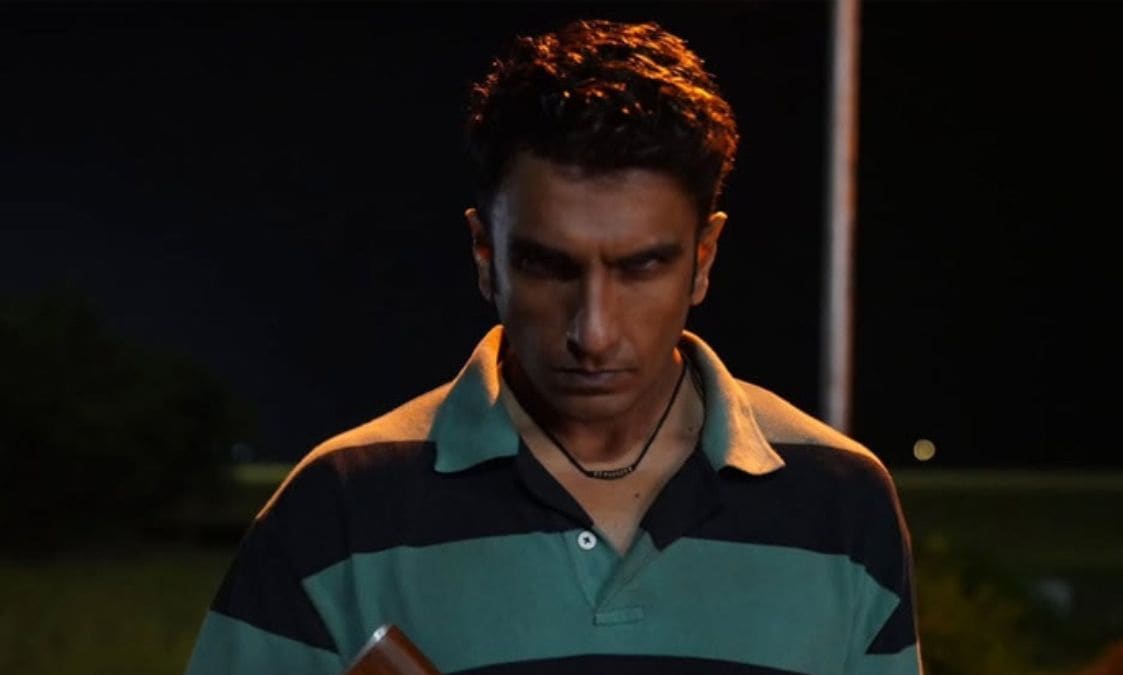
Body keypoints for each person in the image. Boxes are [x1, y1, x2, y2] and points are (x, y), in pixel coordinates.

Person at [185, 19, 922, 675]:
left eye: (641, 267)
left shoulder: (840, 501)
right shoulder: (339, 509)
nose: (592, 332)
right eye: (549, 266)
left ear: (704, 257)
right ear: (485, 253)